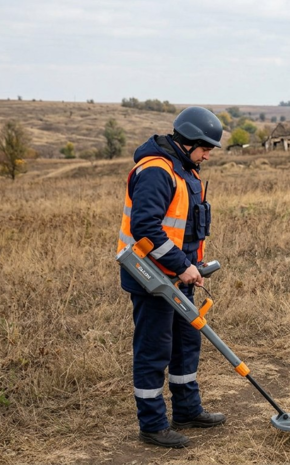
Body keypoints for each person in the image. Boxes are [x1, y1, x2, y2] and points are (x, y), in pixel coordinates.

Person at [117, 107, 226, 448]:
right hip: (152, 279)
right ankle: (152, 425)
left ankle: (187, 410)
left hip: (178, 277)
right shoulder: (156, 170)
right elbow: (146, 229)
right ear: (189, 141)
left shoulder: (185, 169)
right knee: (154, 350)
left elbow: (182, 227)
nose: (208, 154)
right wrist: (181, 265)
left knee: (185, 343)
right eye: (205, 147)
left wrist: (190, 266)